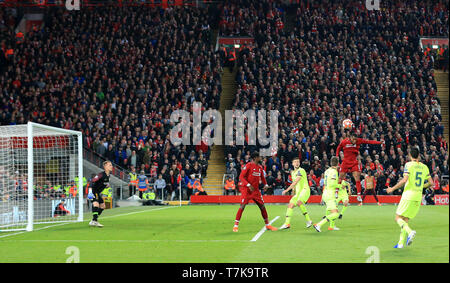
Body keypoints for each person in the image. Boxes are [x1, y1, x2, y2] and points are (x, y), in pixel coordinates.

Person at [386, 147, 434, 249]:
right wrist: (421, 186)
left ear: (410, 155)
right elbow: (431, 183)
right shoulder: (425, 167)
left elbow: (404, 180)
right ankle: (400, 244)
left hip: (408, 195)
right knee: (405, 219)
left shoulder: (408, 165)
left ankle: (410, 232)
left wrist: (392, 189)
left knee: (398, 218)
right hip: (418, 196)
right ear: (419, 155)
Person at [233, 152, 278, 232]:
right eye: (259, 157)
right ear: (255, 158)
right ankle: (236, 225)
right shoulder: (248, 165)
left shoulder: (260, 167)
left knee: (262, 206)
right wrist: (248, 185)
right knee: (242, 206)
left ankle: (267, 225)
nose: (260, 158)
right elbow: (241, 177)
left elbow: (263, 178)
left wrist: (266, 185)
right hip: (247, 190)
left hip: (256, 191)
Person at [336, 131, 383, 202]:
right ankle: (336, 192)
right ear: (350, 138)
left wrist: (379, 142)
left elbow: (369, 141)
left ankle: (358, 195)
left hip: (354, 162)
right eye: (353, 139)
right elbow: (338, 147)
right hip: (345, 162)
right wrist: (337, 156)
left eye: (355, 139)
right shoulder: (344, 142)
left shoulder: (358, 141)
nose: (354, 141)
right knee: (340, 177)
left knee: (357, 178)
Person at [279, 157, 313, 229]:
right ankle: (287, 224)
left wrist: (286, 190)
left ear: (299, 163)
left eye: (298, 162)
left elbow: (296, 181)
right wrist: (293, 192)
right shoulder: (292, 173)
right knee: (290, 205)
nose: (297, 163)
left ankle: (309, 220)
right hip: (298, 193)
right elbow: (295, 185)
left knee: (299, 202)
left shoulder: (301, 170)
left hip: (305, 190)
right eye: (295, 162)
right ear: (292, 163)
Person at [313, 156, 343, 232]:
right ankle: (319, 224)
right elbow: (332, 184)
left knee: (332, 211)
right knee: (336, 214)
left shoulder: (327, 171)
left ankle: (331, 226)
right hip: (330, 194)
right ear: (337, 163)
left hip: (325, 193)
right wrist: (340, 186)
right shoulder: (334, 172)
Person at [87, 160, 113, 227]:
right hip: (93, 191)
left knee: (103, 206)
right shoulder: (101, 175)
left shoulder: (108, 176)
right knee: (96, 204)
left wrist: (107, 185)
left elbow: (103, 183)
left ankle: (93, 220)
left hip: (97, 192)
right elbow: (91, 181)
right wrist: (90, 192)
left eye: (111, 165)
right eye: (109, 165)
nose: (111, 166)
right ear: (105, 166)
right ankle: (95, 221)